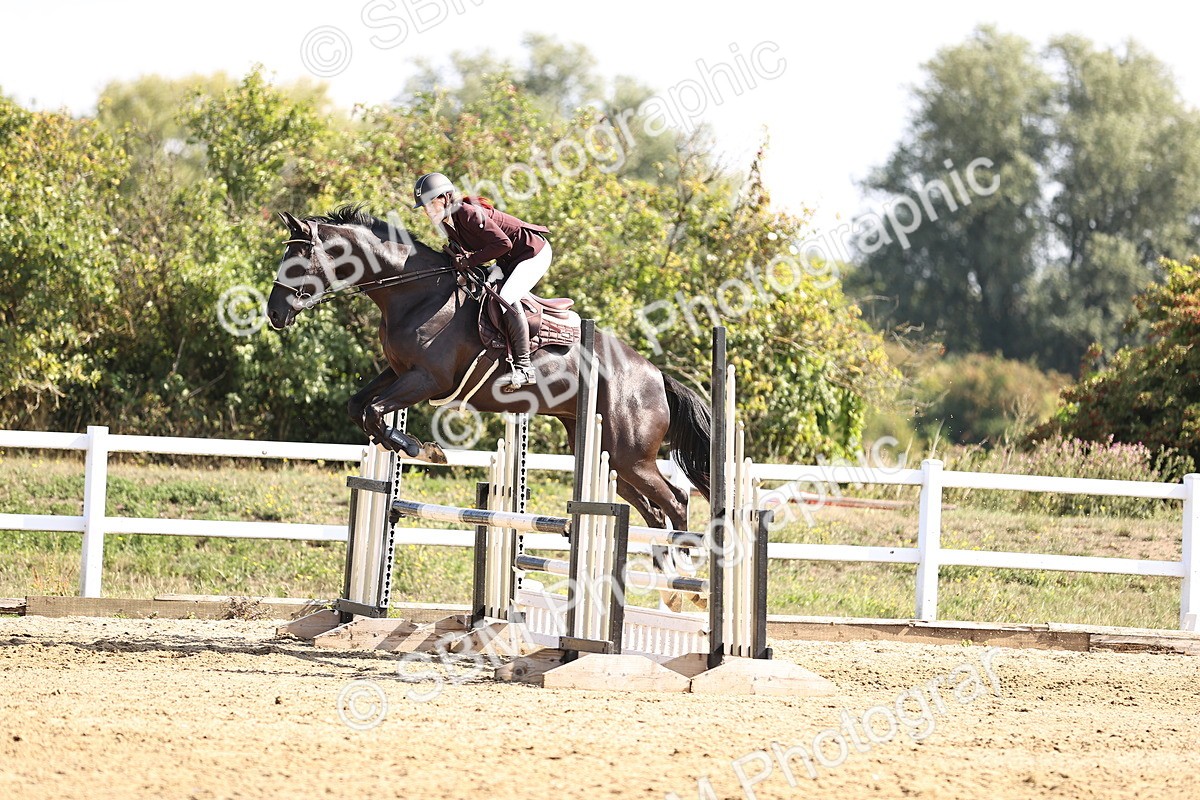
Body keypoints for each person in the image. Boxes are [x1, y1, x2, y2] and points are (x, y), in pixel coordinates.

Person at [413, 172, 551, 391]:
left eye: (431, 203)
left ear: (446, 197)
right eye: (424, 206)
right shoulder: (447, 223)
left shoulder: (467, 213)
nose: (428, 210)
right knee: (483, 293)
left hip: (531, 253)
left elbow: (503, 244)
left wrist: (468, 261)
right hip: (508, 260)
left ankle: (525, 367)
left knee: (505, 297)